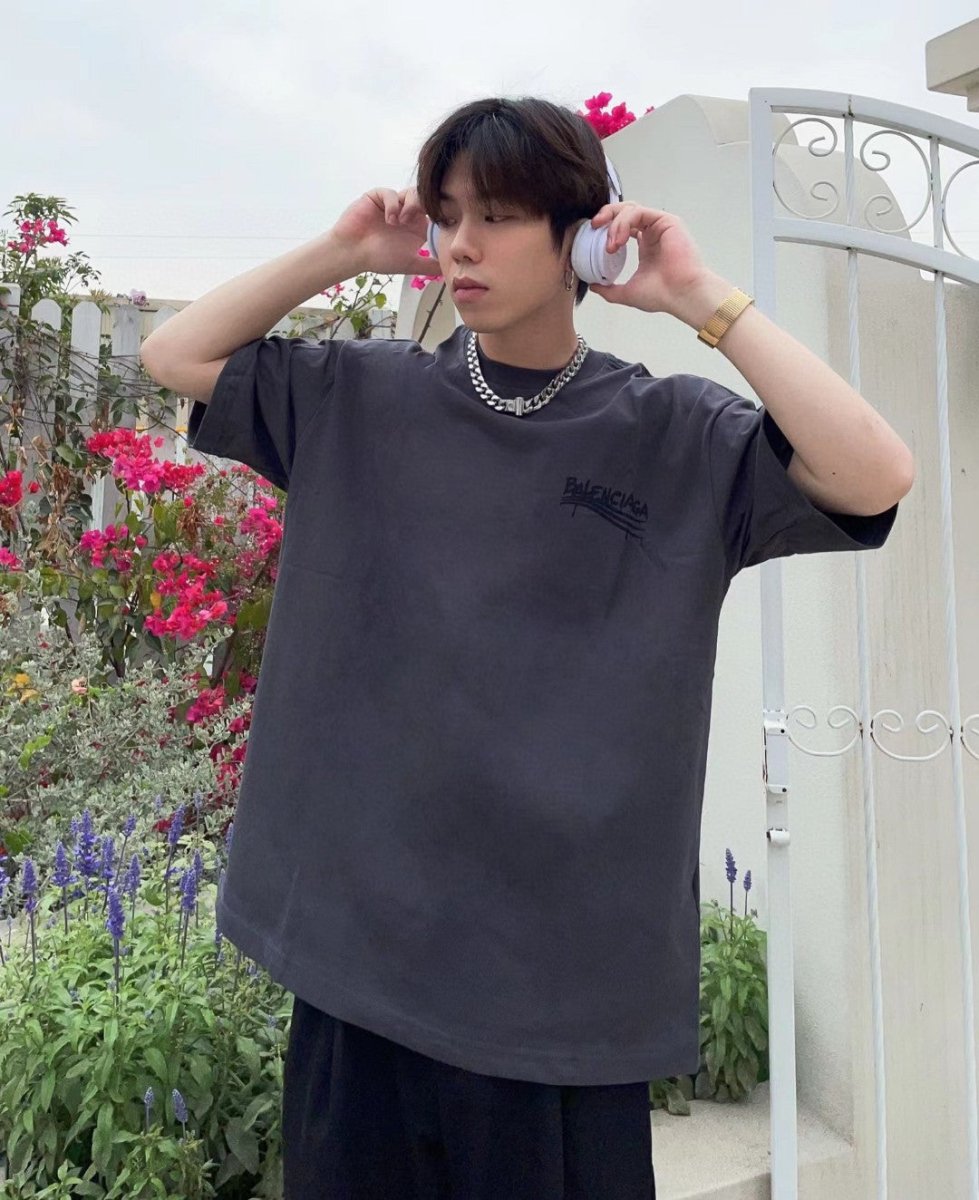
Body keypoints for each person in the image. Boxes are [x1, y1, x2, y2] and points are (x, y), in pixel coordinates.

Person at [139, 96, 913, 1199]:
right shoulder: (360, 395)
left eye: (496, 216)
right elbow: (174, 354)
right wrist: (344, 248)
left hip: (559, 997)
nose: (461, 243)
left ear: (581, 239)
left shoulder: (672, 433)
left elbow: (874, 475)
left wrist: (700, 296)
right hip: (361, 971)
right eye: (447, 214)